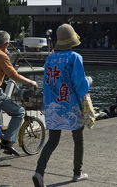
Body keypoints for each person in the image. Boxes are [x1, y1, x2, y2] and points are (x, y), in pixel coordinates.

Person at [32, 24, 92, 187]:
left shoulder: (50, 58)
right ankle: (77, 173)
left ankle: (39, 172)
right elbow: (80, 85)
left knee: (52, 141)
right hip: (70, 105)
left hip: (52, 105)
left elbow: (46, 83)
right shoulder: (75, 57)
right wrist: (89, 81)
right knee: (78, 139)